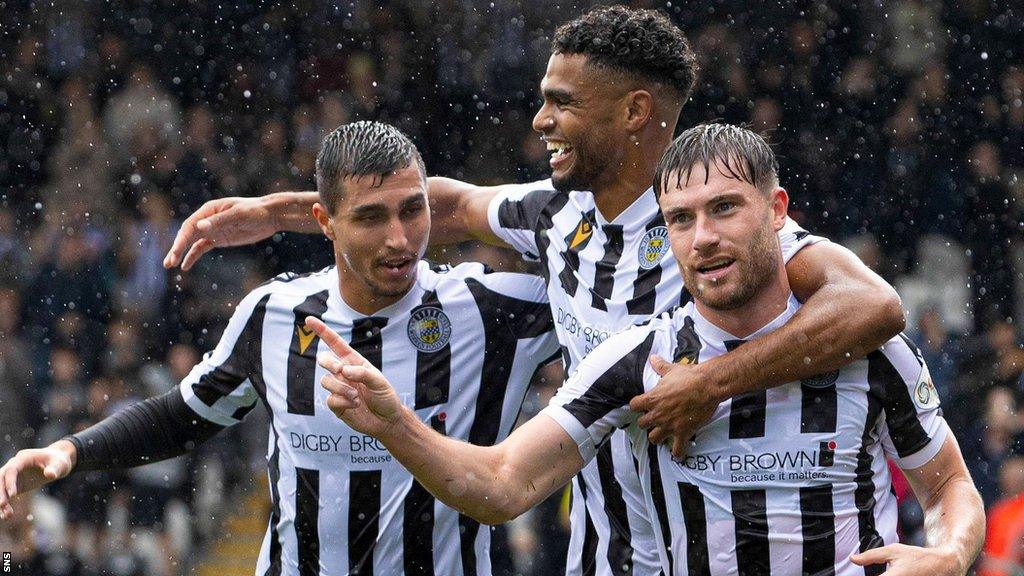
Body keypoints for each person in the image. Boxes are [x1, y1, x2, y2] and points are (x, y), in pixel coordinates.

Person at [163, 7, 905, 575]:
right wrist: (279, 214)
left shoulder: (711, 230)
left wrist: (709, 383)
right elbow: (444, 204)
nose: (540, 119)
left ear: (635, 112)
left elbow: (875, 306)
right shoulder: (556, 216)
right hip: (600, 552)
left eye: (562, 102)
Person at [310, 124, 985, 576]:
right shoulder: (636, 362)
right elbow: (502, 484)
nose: (703, 239)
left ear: (777, 210)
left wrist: (950, 554)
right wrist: (395, 423)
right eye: (681, 220)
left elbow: (950, 484)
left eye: (724, 209)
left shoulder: (868, 349)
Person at [0, 121, 560, 576]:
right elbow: (183, 416)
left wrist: (274, 211)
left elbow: (590, 258)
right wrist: (71, 452)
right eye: (370, 217)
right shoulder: (272, 314)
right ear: (325, 223)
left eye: (413, 210)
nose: (399, 238)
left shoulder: (494, 310)